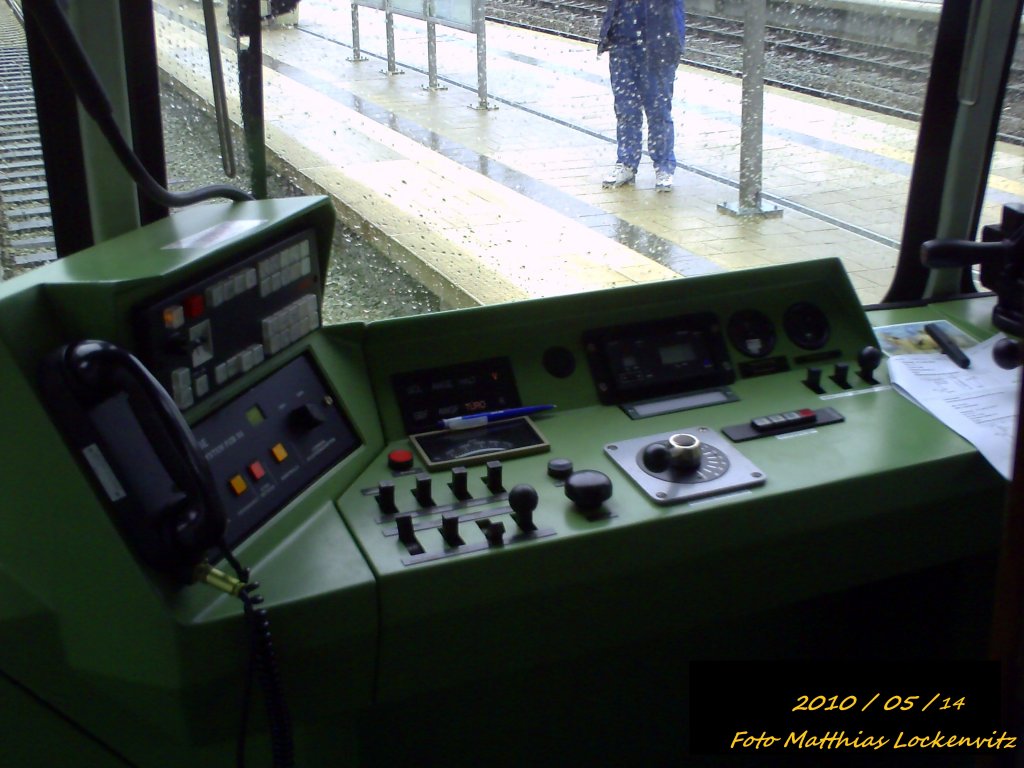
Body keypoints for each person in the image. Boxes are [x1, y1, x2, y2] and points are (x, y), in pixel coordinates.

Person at [598, 0, 686, 192]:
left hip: (660, 42)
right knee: (625, 108)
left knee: (658, 109)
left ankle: (664, 166)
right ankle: (627, 163)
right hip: (622, 42)